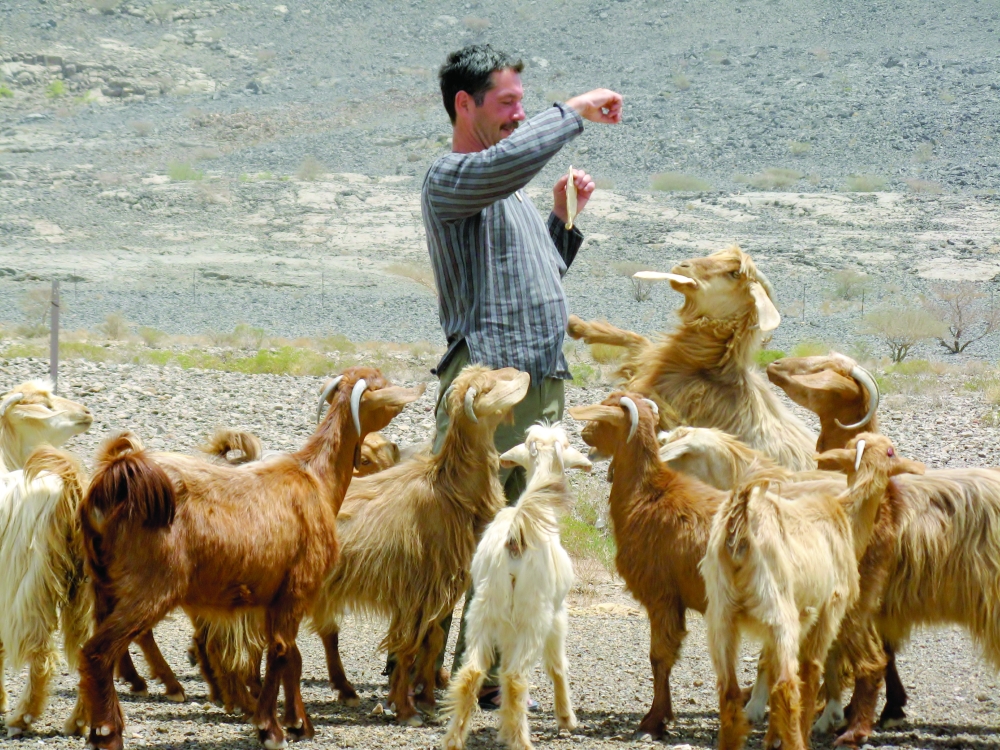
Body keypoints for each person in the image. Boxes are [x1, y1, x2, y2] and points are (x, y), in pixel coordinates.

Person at [420, 43, 622, 709]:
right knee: (465, 534)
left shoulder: (505, 194)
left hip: (536, 387)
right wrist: (574, 113)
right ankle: (421, 673)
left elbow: (533, 283)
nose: (518, 115)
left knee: (521, 535)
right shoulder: (452, 178)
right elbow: (504, 164)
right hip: (488, 394)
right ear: (464, 105)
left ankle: (481, 677)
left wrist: (561, 224)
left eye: (522, 104)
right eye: (506, 103)